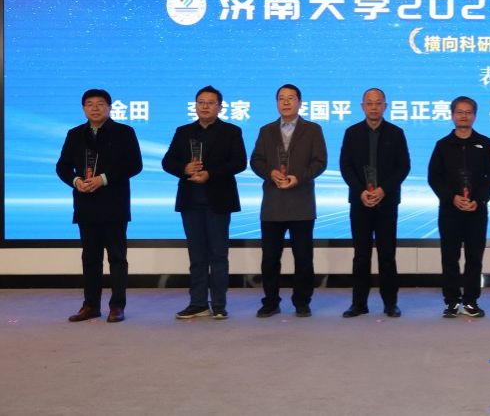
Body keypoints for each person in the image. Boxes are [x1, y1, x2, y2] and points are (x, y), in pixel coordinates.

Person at [56, 89, 142, 323]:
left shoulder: (124, 132)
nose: (95, 108)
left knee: (117, 257)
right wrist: (76, 181)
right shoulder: (75, 134)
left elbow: (134, 164)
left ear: (109, 107)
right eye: (89, 104)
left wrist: (103, 179)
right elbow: (63, 167)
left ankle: (117, 306)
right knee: (90, 258)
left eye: (100, 103)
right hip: (86, 203)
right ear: (83, 108)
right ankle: (90, 305)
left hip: (114, 204)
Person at [161, 85, 247, 320]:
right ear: (195, 106)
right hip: (191, 201)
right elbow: (167, 162)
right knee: (197, 256)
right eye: (201, 102)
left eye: (210, 103)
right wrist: (184, 168)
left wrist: (210, 173)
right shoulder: (183, 132)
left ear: (220, 107)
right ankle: (197, 303)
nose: (205, 106)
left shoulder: (231, 131)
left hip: (218, 200)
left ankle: (218, 304)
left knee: (218, 254)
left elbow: (239, 162)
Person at [249, 84, 327, 318]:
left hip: (301, 202)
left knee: (303, 258)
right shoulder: (266, 130)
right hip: (273, 203)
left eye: (290, 98)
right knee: (270, 259)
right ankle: (270, 302)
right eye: (281, 98)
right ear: (276, 103)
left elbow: (320, 162)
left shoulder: (312, 129)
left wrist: (298, 178)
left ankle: (302, 302)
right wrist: (270, 172)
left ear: (299, 102)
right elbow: (256, 160)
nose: (285, 102)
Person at [339, 88, 411, 318]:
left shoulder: (396, 133)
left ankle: (390, 303)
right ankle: (358, 303)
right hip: (359, 201)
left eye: (378, 103)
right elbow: (345, 166)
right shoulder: (352, 133)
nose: (373, 107)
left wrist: (383, 190)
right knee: (361, 254)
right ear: (362, 106)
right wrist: (360, 191)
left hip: (386, 202)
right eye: (369, 103)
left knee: (387, 254)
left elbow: (403, 166)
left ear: (385, 106)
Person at [427, 96, 490, 318]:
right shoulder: (442, 145)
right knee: (449, 257)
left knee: (474, 258)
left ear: (475, 116)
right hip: (450, 211)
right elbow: (434, 177)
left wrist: (480, 199)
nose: (464, 116)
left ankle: (470, 301)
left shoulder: (485, 143)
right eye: (459, 112)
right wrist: (452, 198)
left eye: (468, 112)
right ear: (452, 115)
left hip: (477, 210)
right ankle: (451, 302)